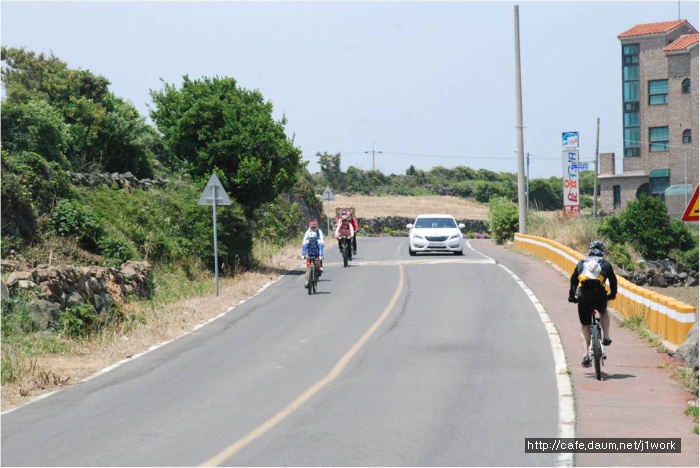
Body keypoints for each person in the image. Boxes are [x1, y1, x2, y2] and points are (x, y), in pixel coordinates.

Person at [568, 240, 618, 367]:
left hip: (583, 295)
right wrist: (612, 295)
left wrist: (572, 296)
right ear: (603, 251)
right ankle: (606, 337)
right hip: (599, 295)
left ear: (590, 251)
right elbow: (613, 281)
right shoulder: (605, 264)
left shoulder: (582, 263)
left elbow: (573, 280)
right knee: (603, 312)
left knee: (585, 326)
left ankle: (585, 355)